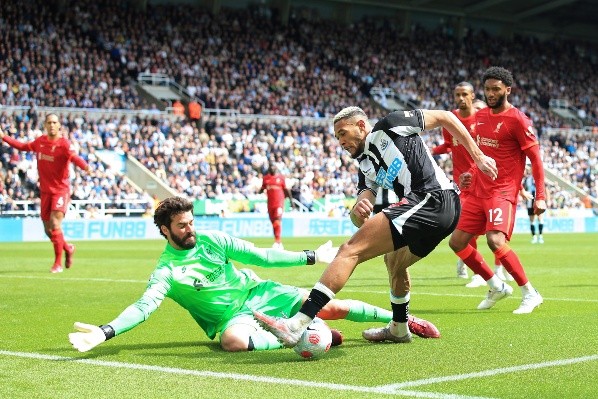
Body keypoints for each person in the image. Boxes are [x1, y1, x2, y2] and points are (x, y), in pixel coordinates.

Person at [68, 196, 440, 353]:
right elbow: (145, 306)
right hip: (233, 318)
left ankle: (402, 319)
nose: (190, 229)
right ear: (165, 230)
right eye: (182, 226)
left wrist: (311, 257)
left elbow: (260, 255)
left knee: (332, 307)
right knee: (230, 342)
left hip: (260, 293)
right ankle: (309, 337)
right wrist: (106, 330)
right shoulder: (166, 271)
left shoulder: (212, 239)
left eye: (191, 222)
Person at [253, 106, 497, 346]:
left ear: (361, 125)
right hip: (437, 210)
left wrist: (478, 156)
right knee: (394, 261)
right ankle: (400, 328)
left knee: (349, 250)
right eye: (337, 137)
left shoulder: (392, 124)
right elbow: (361, 210)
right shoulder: (365, 165)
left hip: (431, 198)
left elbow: (445, 117)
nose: (341, 142)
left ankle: (296, 324)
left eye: (343, 134)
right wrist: (358, 211)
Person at [448, 66, 546, 314]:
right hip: (478, 189)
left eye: (496, 89)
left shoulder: (518, 120)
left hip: (502, 191)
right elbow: (481, 154)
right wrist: (470, 171)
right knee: (457, 242)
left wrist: (541, 196)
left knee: (494, 240)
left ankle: (530, 293)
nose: (490, 93)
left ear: (507, 90)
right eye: (487, 89)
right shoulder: (481, 117)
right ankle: (495, 285)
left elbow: (535, 159)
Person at [432, 85, 508, 287]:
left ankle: (494, 269)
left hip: (482, 180)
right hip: (462, 181)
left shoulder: (481, 120)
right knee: (464, 227)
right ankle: (475, 269)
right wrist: (430, 150)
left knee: (489, 229)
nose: (460, 98)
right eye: (457, 94)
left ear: (472, 96)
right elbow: (449, 145)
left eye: (464, 94)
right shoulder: (449, 120)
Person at [0, 114, 91, 273]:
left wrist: (86, 167)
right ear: (45, 125)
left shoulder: (64, 144)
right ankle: (68, 248)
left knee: (55, 224)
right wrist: (4, 137)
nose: (52, 125)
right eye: (49, 122)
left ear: (59, 125)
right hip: (45, 192)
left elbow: (75, 158)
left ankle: (57, 264)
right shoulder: (40, 142)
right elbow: (22, 146)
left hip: (61, 191)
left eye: (55, 122)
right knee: (48, 231)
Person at [260, 164, 294, 249]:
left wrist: (291, 201)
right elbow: (262, 188)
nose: (272, 169)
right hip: (270, 204)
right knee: (273, 222)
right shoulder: (265, 179)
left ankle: (278, 241)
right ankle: (278, 242)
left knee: (277, 220)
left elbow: (287, 190)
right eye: (270, 167)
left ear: (276, 169)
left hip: (279, 203)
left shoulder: (281, 178)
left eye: (273, 167)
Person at [522, 166, 545, 244]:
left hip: (538, 200)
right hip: (530, 201)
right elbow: (524, 189)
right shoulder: (527, 179)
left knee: (540, 218)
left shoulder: (539, 177)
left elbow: (545, 188)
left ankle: (540, 236)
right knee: (531, 220)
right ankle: (534, 236)